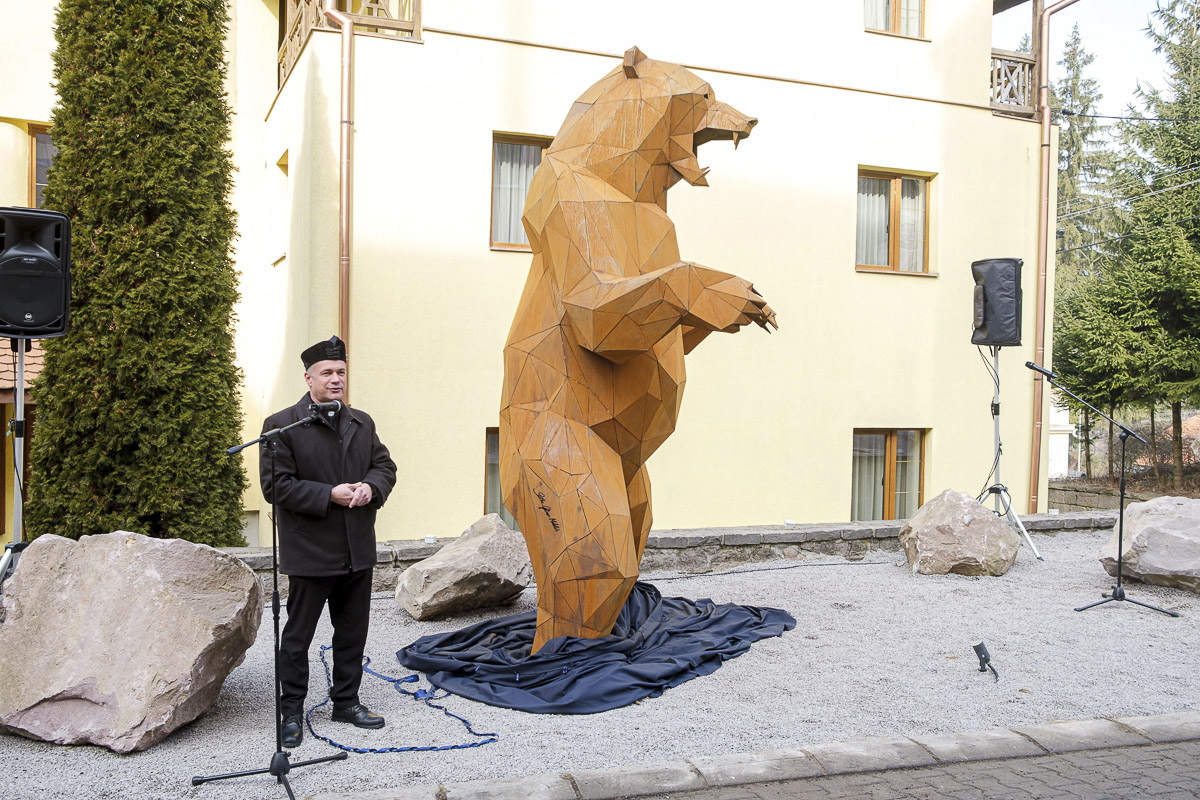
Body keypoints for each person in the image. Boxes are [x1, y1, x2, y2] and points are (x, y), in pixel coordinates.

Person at [260, 335, 397, 749]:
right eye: (327, 373)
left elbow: (384, 466)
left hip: (357, 548)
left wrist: (371, 488)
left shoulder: (362, 422)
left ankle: (346, 702)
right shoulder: (281, 426)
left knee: (352, 632)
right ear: (308, 378)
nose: (336, 379)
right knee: (297, 638)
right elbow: (275, 487)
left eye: (341, 372)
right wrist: (328, 494)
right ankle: (290, 713)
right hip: (310, 551)